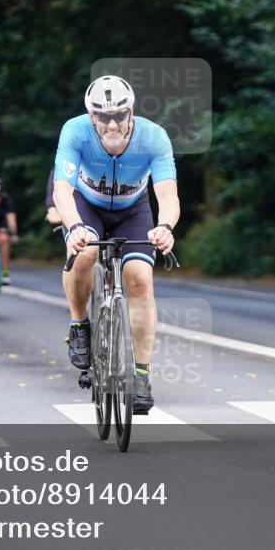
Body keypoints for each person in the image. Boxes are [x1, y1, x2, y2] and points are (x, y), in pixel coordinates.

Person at [52, 75, 179, 415]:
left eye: (119, 115)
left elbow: (167, 195)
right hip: (87, 206)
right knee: (85, 252)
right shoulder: (75, 131)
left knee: (139, 278)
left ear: (131, 112)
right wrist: (74, 224)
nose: (111, 124)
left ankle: (140, 376)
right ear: (91, 116)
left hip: (133, 210)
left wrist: (165, 226)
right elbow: (62, 190)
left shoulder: (153, 137)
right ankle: (79, 324)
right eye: (102, 116)